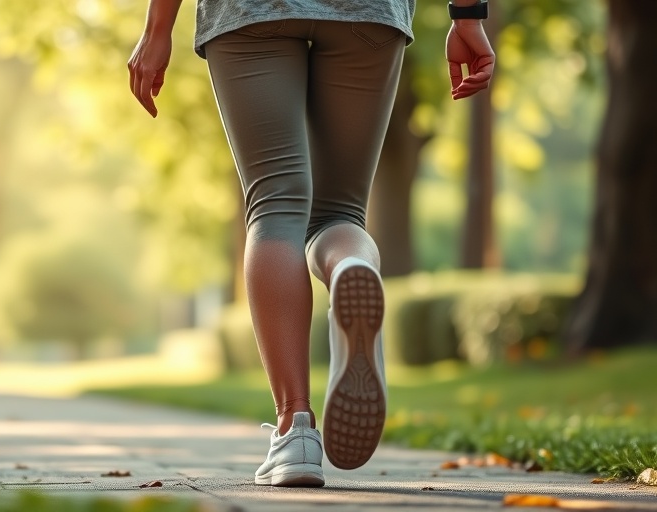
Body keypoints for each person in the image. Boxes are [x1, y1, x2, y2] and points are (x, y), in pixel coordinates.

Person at [128, 0, 494, 487]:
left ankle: (294, 428)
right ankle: (347, 269)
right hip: (368, 13)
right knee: (340, 213)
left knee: (275, 205)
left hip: (250, 14)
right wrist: (467, 16)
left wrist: (158, 28)